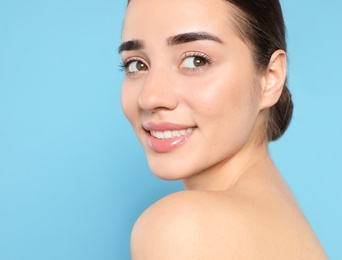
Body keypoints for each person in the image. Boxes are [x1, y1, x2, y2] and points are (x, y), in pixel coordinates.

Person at [119, 0, 327, 258]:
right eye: (136, 64)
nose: (150, 98)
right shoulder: (284, 223)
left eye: (196, 61)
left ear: (270, 78)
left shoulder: (183, 227)